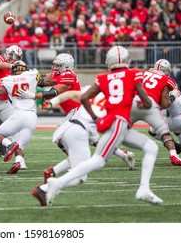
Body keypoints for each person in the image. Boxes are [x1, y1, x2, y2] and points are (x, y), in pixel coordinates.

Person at [32, 45, 163, 206]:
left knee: (149, 147)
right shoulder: (134, 74)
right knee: (97, 161)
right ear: (128, 60)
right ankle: (55, 183)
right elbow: (146, 102)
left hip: (75, 124)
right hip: (101, 123)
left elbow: (78, 96)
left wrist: (49, 101)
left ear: (108, 61)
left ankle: (53, 179)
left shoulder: (102, 79)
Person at [38, 88, 136, 186]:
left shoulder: (94, 92)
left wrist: (51, 103)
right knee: (85, 168)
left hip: (72, 124)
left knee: (85, 151)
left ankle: (53, 173)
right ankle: (48, 186)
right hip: (80, 129)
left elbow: (69, 94)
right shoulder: (115, 105)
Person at [17, 53, 80, 155]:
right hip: (73, 112)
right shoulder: (60, 74)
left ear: (66, 66)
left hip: (78, 111)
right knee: (93, 140)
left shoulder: (69, 75)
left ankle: (75, 159)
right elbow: (42, 80)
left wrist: (31, 95)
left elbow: (51, 93)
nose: (56, 67)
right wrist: (28, 75)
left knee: (59, 135)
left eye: (59, 65)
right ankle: (75, 158)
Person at [131, 59, 181, 166]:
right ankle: (174, 156)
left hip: (133, 101)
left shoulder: (145, 73)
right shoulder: (167, 79)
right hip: (149, 104)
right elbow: (165, 104)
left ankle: (120, 153)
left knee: (121, 130)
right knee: (164, 132)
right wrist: (172, 97)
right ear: (166, 70)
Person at [149, 86, 181, 163]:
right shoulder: (170, 87)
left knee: (152, 131)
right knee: (178, 133)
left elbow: (164, 105)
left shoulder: (167, 91)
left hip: (180, 118)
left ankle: (175, 146)